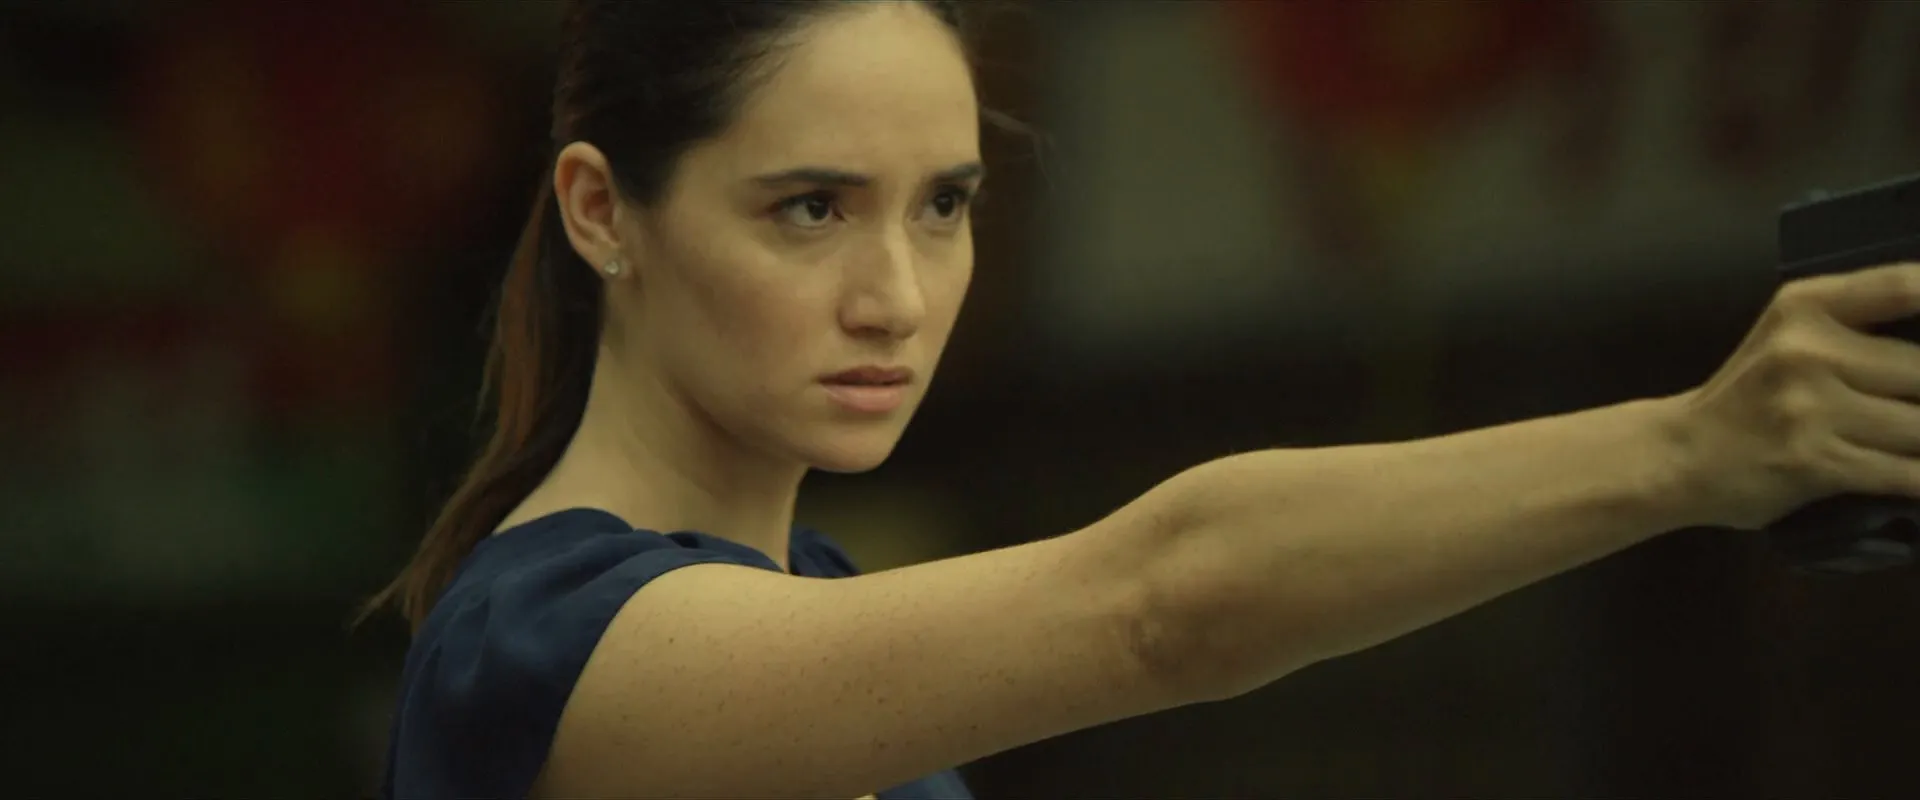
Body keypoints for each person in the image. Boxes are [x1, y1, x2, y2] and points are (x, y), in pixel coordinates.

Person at [364, 1, 1920, 797]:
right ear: (602, 210)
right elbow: (1162, 605)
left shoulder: (823, 610)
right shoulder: (541, 648)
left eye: (945, 204)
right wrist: (1694, 446)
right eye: (811, 208)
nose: (895, 294)